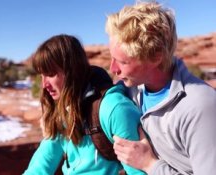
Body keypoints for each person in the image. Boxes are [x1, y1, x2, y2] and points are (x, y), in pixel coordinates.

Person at [105, 1, 216, 175]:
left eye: (123, 62)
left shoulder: (200, 107)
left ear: (156, 57)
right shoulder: (135, 86)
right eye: (112, 58)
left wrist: (149, 164)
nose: (113, 69)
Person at [23, 34, 145, 175]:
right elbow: (41, 165)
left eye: (50, 74)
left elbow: (138, 172)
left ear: (72, 70)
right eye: (41, 75)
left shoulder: (114, 109)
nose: (44, 85)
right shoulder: (63, 110)